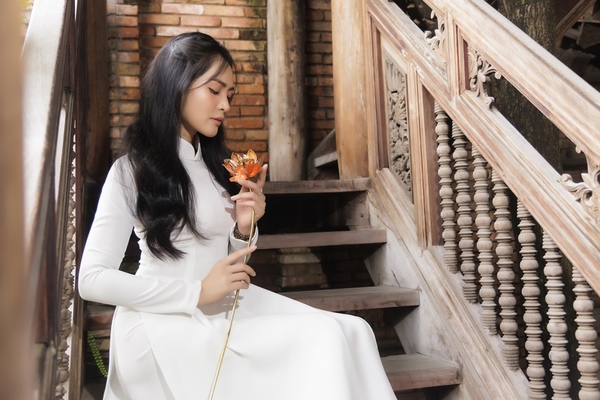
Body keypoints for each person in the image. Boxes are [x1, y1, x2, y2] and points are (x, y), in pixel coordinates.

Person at [78, 32, 396, 400]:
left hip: (221, 304)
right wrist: (197, 292)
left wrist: (244, 228)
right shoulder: (130, 170)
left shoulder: (214, 169)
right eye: (214, 90)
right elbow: (91, 280)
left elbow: (222, 258)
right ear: (175, 87)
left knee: (356, 331)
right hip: (163, 320)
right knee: (324, 338)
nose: (225, 104)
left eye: (230, 94)